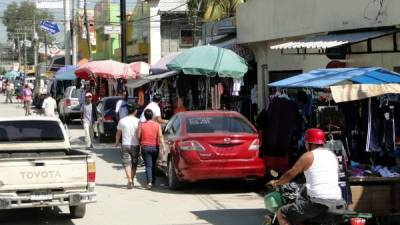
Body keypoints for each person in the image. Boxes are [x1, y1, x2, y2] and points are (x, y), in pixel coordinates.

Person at [267, 128, 343, 225]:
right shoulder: (332, 156)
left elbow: (290, 174)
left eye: (306, 143)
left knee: (282, 213)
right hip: (338, 201)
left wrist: (277, 183)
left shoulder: (308, 156)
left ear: (309, 143)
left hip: (317, 203)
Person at [137, 109, 165, 189]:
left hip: (145, 147)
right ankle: (153, 181)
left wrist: (140, 142)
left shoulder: (141, 125)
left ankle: (149, 182)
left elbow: (138, 136)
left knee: (148, 165)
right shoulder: (157, 125)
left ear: (145, 116)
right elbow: (160, 136)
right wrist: (163, 146)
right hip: (155, 147)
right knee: (153, 164)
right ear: (152, 116)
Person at [115, 103, 140, 189]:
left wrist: (117, 142)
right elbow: (139, 134)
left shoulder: (122, 120)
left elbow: (118, 133)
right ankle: (132, 180)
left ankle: (129, 179)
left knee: (126, 163)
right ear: (135, 111)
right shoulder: (138, 121)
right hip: (135, 144)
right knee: (134, 163)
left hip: (125, 144)